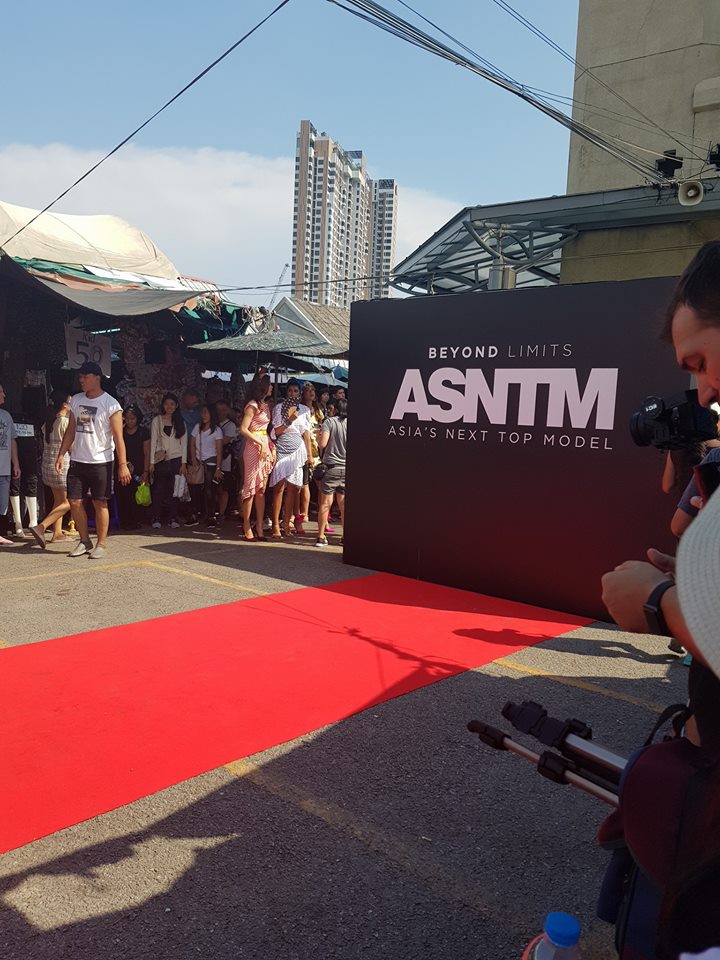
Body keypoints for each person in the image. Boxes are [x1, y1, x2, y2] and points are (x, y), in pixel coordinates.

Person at [51, 362, 130, 559]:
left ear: (97, 377)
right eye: (80, 377)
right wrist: (61, 454)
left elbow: (118, 437)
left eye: (85, 377)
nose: (82, 380)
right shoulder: (77, 400)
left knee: (99, 502)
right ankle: (84, 540)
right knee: (74, 501)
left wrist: (122, 464)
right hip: (78, 459)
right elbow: (71, 431)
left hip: (101, 461)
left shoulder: (111, 404)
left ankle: (101, 543)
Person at [269, 380, 312, 538]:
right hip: (282, 447)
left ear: (299, 394)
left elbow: (306, 433)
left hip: (298, 449)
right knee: (279, 487)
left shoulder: (305, 410)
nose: (292, 393)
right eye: (290, 391)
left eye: (295, 391)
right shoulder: (279, 408)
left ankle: (287, 523)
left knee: (294, 488)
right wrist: (289, 420)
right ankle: (275, 524)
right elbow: (276, 432)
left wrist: (309, 455)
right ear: (286, 392)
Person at [29, 391, 72, 547]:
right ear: (65, 405)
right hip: (62, 466)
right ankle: (42, 527)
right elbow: (71, 447)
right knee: (70, 502)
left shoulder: (49, 421)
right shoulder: (64, 422)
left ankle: (57, 533)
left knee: (58, 501)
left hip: (48, 465)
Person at [239, 375, 274, 541]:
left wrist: (270, 445)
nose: (272, 387)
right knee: (250, 487)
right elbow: (243, 429)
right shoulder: (252, 405)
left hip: (265, 444)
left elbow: (265, 429)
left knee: (261, 489)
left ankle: (259, 526)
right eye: (269, 385)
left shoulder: (265, 406)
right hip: (254, 446)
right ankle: (246, 525)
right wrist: (260, 443)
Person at [149, 393, 187, 530]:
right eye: (166, 404)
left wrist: (184, 463)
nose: (169, 407)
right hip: (161, 459)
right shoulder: (157, 420)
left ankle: (173, 518)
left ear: (176, 406)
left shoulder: (180, 422)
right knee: (158, 490)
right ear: (163, 405)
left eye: (172, 404)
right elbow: (153, 441)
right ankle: (156, 517)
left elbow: (184, 443)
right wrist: (151, 463)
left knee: (174, 490)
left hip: (176, 459)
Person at [315, 398, 347, 547]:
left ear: (335, 409)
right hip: (346, 468)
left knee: (325, 503)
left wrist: (318, 437)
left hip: (331, 467)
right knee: (343, 505)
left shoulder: (329, 422)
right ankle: (345, 536)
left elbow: (322, 444)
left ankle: (321, 536)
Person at [189, 403, 223, 528]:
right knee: (195, 489)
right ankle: (195, 514)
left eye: (206, 412)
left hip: (211, 463)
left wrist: (218, 468)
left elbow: (219, 451)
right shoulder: (197, 427)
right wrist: (193, 459)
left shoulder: (217, 431)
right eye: (202, 412)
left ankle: (211, 515)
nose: (203, 415)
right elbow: (192, 444)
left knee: (210, 490)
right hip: (198, 463)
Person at [116, 405, 150, 530]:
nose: (130, 421)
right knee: (123, 495)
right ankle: (125, 521)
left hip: (139, 468)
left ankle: (137, 520)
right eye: (127, 418)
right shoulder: (120, 431)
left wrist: (146, 471)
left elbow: (146, 453)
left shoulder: (143, 432)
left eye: (133, 419)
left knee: (137, 495)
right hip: (123, 466)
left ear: (137, 419)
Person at [0, 382, 21, 546]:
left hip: (4, 468)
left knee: (2, 503)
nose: (4, 395)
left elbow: (12, 440)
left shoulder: (6, 416)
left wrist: (16, 463)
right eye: (1, 392)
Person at [215, 399, 238, 522]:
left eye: (223, 410)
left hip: (225, 461)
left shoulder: (230, 425)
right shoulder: (212, 423)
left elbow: (223, 441)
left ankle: (222, 512)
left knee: (223, 488)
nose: (221, 413)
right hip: (212, 459)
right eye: (218, 410)